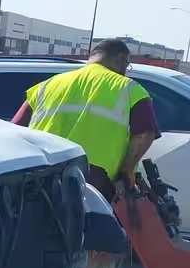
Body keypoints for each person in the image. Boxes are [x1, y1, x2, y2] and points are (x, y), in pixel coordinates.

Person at [11, 39, 160, 202]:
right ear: (121, 58)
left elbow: (14, 130)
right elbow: (145, 133)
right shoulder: (130, 88)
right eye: (127, 64)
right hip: (92, 182)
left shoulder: (47, 85)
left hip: (40, 179)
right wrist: (127, 170)